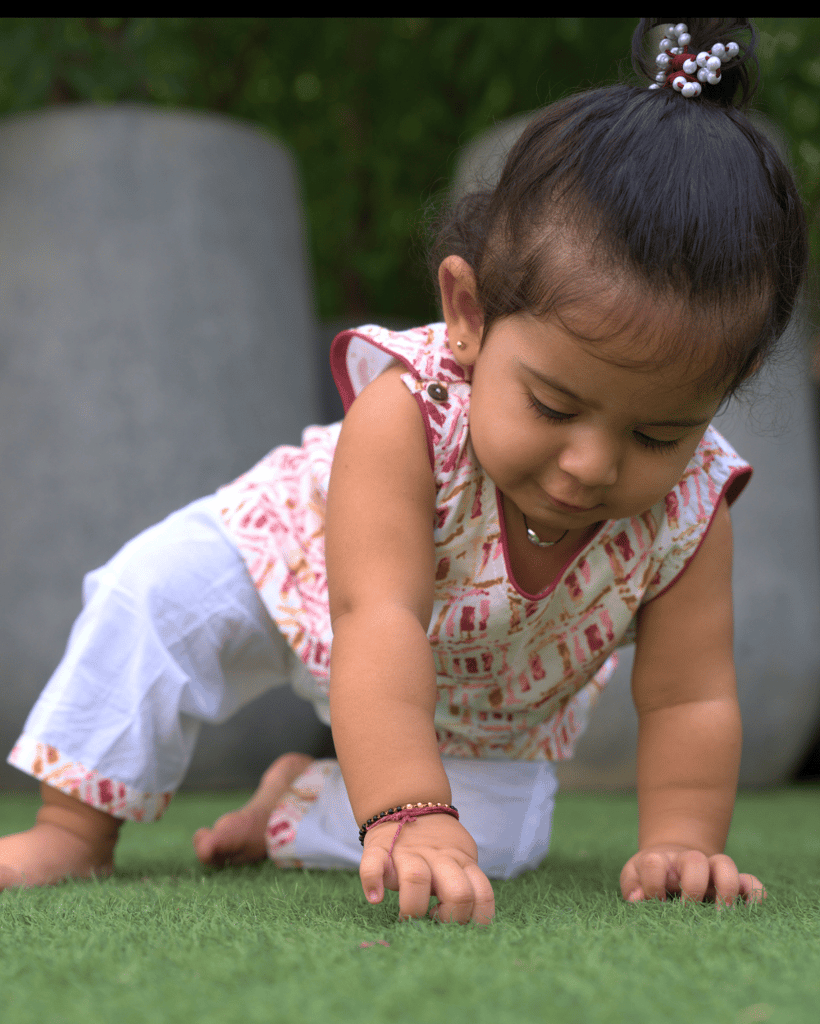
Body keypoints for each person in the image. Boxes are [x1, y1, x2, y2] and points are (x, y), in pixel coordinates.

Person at [0, 18, 809, 925]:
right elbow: (375, 616)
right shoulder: (408, 413)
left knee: (497, 842)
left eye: (657, 434)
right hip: (302, 567)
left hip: (480, 693)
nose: (590, 465)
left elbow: (690, 696)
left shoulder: (692, 511)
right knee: (152, 593)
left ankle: (292, 806)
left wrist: (682, 842)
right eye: (552, 406)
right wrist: (410, 808)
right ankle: (73, 828)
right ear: (468, 313)